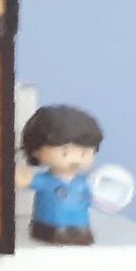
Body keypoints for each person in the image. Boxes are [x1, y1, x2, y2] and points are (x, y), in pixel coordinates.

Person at [16, 104, 104, 245]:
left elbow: (97, 196)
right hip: (50, 226)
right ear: (36, 150)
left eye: (84, 153)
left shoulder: (85, 182)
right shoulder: (45, 181)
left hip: (81, 226)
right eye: (65, 152)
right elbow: (24, 180)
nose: (75, 159)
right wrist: (20, 177)